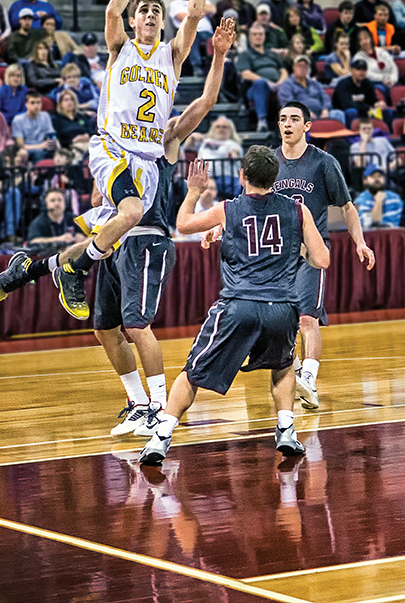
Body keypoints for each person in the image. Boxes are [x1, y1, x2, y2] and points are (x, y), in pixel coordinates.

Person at [0, 19, 238, 445]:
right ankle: (138, 403)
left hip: (149, 239)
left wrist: (218, 56)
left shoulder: (166, 138)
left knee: (137, 325)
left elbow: (206, 101)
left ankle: (159, 408)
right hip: (118, 237)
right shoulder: (119, 144)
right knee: (104, 328)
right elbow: (97, 196)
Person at [138, 149, 331, 465]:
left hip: (239, 304)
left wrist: (194, 192)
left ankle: (161, 437)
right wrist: (293, 251)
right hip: (282, 307)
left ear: (242, 176)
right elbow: (321, 259)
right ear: (275, 178)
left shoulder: (228, 208)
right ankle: (286, 430)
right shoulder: (299, 211)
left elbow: (183, 224)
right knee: (283, 366)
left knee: (192, 372)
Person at [50, 0, 208, 317]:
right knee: (133, 213)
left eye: (156, 11)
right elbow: (111, 13)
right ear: (134, 21)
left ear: (163, 22)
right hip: (113, 146)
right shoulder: (122, 48)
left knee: (117, 226)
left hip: (146, 160)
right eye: (144, 11)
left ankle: (47, 268)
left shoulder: (171, 56)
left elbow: (195, 15)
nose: (151, 15)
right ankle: (74, 273)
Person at [263, 102, 377, 410]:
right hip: (277, 254)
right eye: (283, 119)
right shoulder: (269, 162)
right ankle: (299, 375)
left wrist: (360, 243)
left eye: (294, 119)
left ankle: (309, 379)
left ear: (307, 126)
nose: (287, 123)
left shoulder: (323, 162)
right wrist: (220, 227)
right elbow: (250, 203)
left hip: (312, 252)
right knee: (276, 322)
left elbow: (346, 207)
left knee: (307, 317)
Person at [354, 164, 403, 228]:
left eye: (380, 176)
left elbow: (392, 226)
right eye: (372, 176)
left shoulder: (395, 199)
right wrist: (378, 202)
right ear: (365, 181)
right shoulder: (360, 201)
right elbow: (372, 226)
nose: (377, 179)